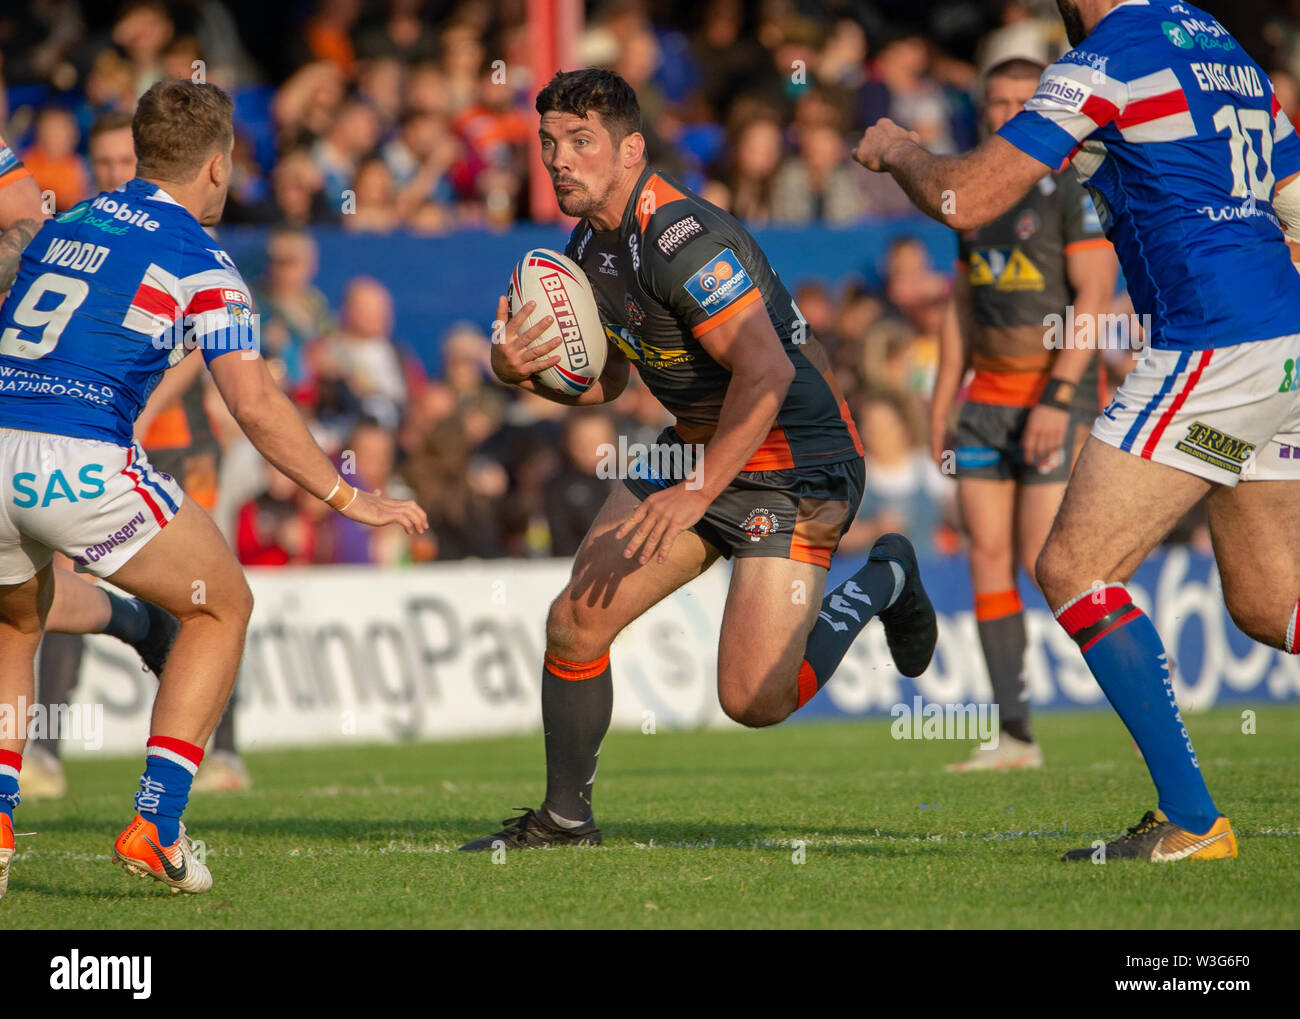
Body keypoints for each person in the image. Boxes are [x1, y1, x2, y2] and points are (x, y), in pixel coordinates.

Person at [853, 0, 1300, 862]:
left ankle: (1193, 821)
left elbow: (964, 195)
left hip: (1214, 335)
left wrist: (899, 149)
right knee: (1268, 601)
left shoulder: (1111, 52)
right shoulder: (1220, 45)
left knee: (1071, 566)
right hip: (1283, 339)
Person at [461, 68, 938, 852]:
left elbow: (769, 372)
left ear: (631, 150)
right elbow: (609, 381)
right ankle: (566, 819)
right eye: (548, 143)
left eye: (581, 142)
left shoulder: (682, 240)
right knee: (575, 623)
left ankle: (883, 577)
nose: (559, 160)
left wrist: (695, 492)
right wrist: (518, 372)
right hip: (697, 446)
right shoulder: (588, 247)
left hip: (795, 461)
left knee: (753, 697)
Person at [0, 79, 426, 899]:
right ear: (220, 166)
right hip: (77, 453)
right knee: (221, 603)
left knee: (16, 626)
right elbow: (257, 403)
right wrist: (349, 495)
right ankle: (156, 823)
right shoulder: (205, 261)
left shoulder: (65, 222)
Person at [930, 55, 1118, 772]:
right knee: (986, 556)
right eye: (994, 103)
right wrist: (944, 393)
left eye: (1020, 102)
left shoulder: (1072, 184)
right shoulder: (968, 195)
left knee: (1055, 564)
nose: (1006, 115)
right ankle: (1016, 735)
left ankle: (1139, 708)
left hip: (1050, 402)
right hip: (985, 405)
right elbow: (962, 304)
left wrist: (1060, 396)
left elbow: (1095, 301)